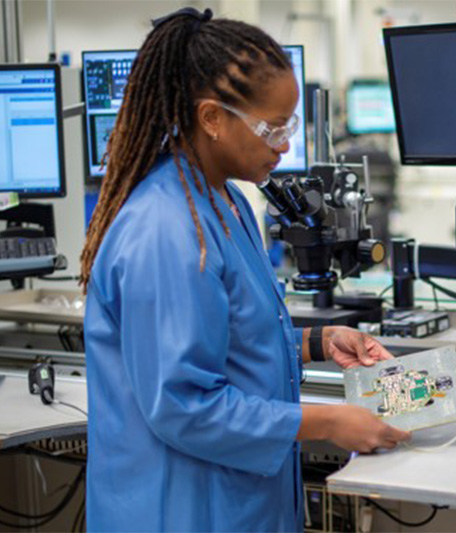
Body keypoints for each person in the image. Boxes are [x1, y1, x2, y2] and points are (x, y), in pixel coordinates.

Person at [80, 8, 410, 532]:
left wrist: (318, 342)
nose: (283, 144)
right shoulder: (166, 229)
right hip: (178, 510)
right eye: (271, 128)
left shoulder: (226, 200)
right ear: (212, 117)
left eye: (289, 126)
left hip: (235, 499)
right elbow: (185, 406)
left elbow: (227, 335)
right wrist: (328, 421)